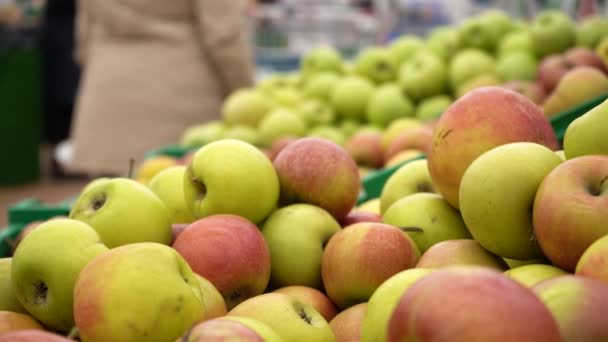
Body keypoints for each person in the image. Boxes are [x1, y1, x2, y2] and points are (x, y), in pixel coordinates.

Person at [67, 0, 255, 176]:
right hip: (179, 97)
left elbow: (84, 36)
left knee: (104, 201)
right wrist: (246, 96)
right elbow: (224, 37)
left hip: (106, 94)